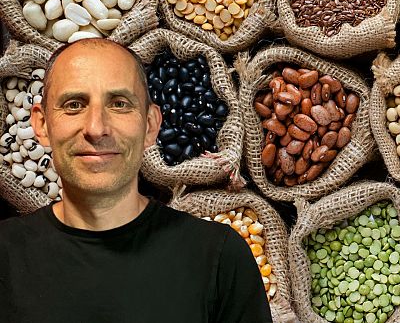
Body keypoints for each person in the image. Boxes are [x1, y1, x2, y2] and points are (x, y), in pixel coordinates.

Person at [0, 39, 272, 322]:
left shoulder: (219, 258)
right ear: (42, 125)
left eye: (119, 104)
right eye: (74, 105)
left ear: (151, 126)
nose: (96, 129)